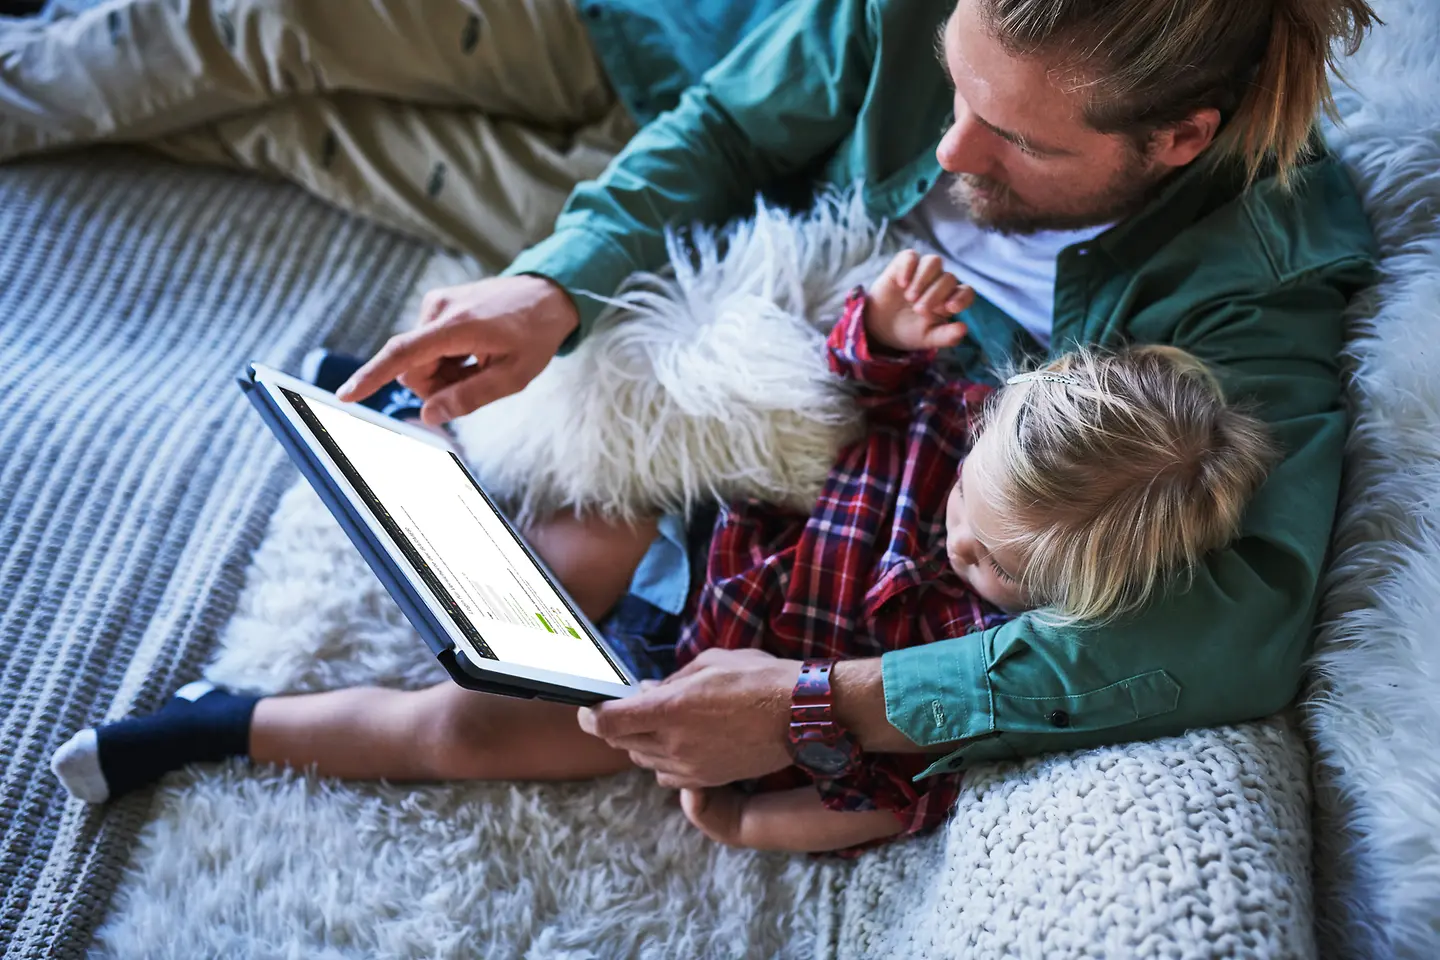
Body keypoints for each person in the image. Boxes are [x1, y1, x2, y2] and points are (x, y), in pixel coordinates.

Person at [31, 0, 1379, 836]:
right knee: (261, 35)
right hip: (763, 324)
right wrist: (554, 285)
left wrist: (826, 703)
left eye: (1020, 140)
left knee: (511, 681)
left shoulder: (1259, 280)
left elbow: (1235, 626)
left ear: (1181, 139)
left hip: (786, 502)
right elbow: (730, 126)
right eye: (954, 89)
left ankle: (234, 712)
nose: (954, 155)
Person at [668, 251, 1276, 854]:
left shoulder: (978, 651)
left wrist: (740, 822)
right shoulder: (948, 419)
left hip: (695, 682)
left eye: (997, 564)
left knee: (587, 727)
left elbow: (890, 805)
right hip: (709, 533)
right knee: (595, 528)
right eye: (963, 490)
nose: (955, 541)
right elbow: (856, 395)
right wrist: (883, 332)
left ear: (1069, 600)